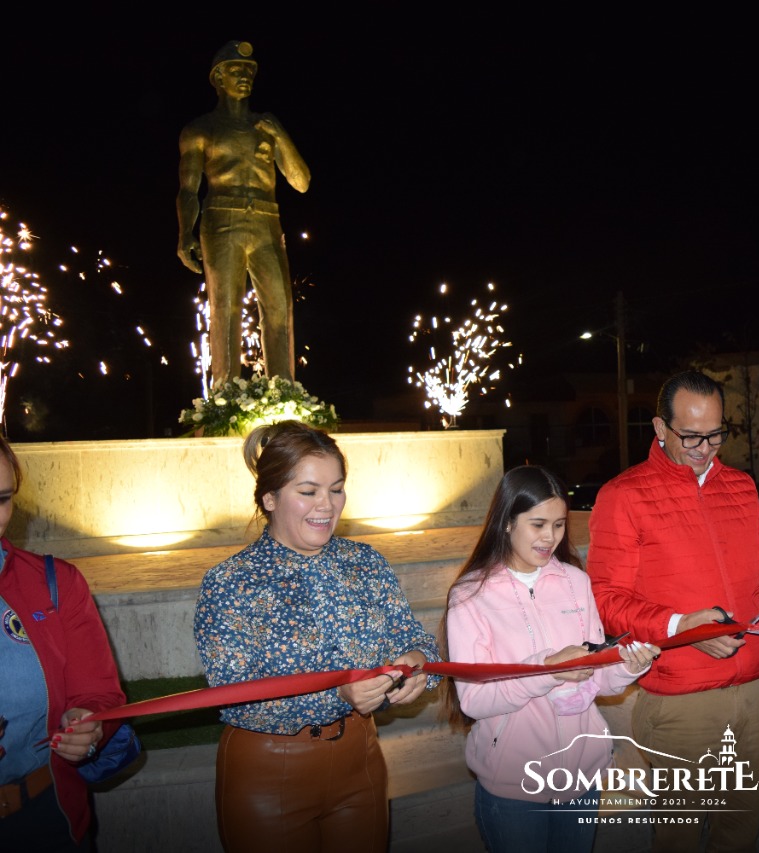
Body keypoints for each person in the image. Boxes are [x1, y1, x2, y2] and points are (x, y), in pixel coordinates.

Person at [194, 420, 441, 851]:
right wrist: (336, 697)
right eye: (308, 491)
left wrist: (417, 662)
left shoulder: (365, 562)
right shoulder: (232, 581)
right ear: (269, 498)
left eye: (337, 488)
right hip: (268, 772)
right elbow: (233, 690)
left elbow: (409, 635)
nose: (326, 505)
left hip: (360, 762)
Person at [589, 370, 759, 852]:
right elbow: (607, 600)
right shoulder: (624, 495)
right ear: (659, 428)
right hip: (681, 703)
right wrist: (683, 628)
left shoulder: (740, 487)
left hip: (752, 691)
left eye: (716, 434)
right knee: (679, 838)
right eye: (691, 435)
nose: (705, 447)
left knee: (740, 830)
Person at [443, 465, 659, 852]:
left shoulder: (576, 582)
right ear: (507, 522)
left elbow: (595, 677)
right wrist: (547, 670)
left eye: (559, 525)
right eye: (538, 524)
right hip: (515, 781)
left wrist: (627, 666)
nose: (550, 537)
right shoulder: (471, 595)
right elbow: (475, 700)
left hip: (581, 776)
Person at [0, 437, 128, 851]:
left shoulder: (56, 585)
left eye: (1, 499)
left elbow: (101, 694)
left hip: (44, 817)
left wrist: (89, 725)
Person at [177, 40, 311, 388]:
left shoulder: (266, 125)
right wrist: (184, 234)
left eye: (250, 71)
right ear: (218, 78)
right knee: (225, 309)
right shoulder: (200, 130)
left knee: (280, 308)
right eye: (236, 70)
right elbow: (189, 189)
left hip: (267, 220)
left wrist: (280, 134)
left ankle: (284, 391)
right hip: (221, 220)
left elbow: (301, 182)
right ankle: (225, 394)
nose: (245, 76)